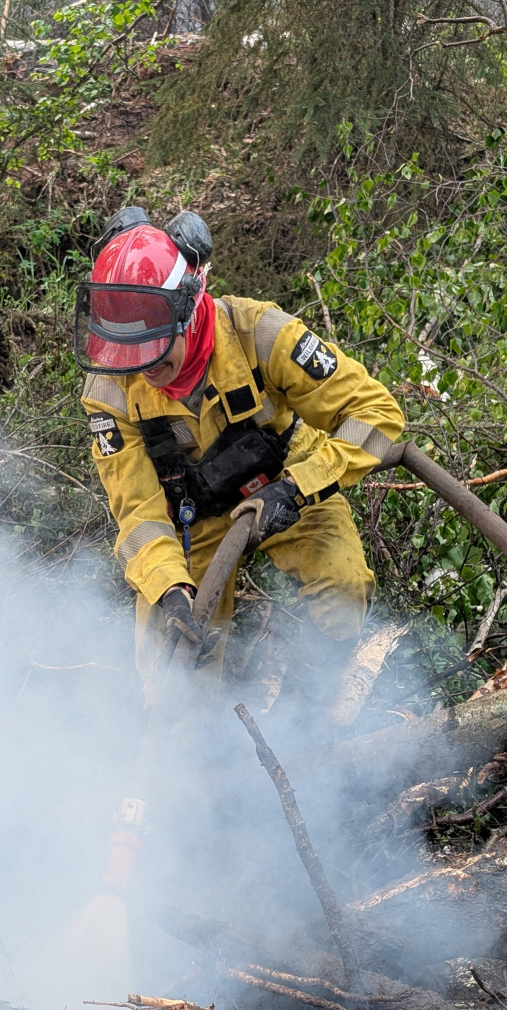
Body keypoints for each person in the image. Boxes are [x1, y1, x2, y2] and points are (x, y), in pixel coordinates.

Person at [74, 206, 405, 704]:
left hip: (287, 483)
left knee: (342, 594)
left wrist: (299, 487)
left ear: (188, 308)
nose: (142, 369)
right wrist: (170, 589)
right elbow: (139, 514)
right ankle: (191, 769)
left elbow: (377, 414)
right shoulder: (109, 391)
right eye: (128, 352)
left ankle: (303, 721)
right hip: (191, 518)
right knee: (172, 672)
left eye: (153, 351)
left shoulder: (261, 334)